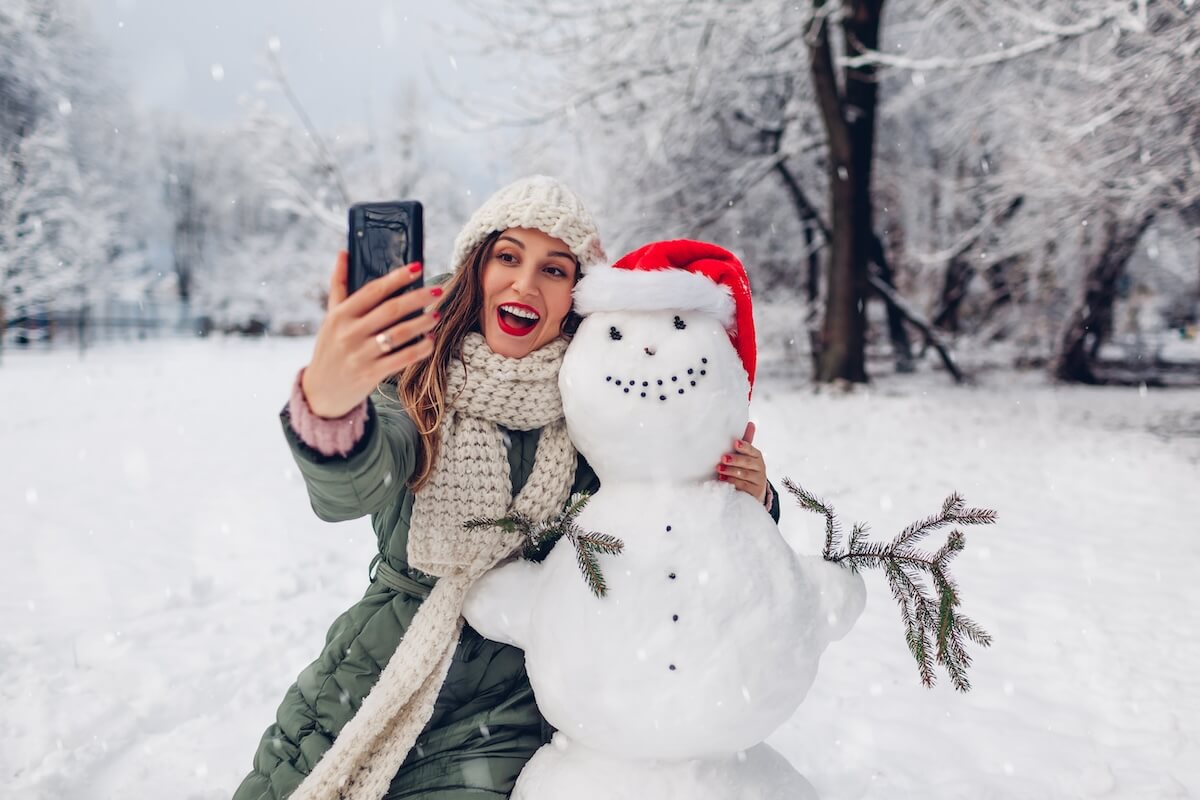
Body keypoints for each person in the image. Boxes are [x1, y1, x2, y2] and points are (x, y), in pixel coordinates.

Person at [232, 176, 781, 800]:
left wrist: (750, 495)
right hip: (368, 675)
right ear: (477, 269)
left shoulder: (599, 417)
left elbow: (665, 525)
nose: (525, 284)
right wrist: (331, 405)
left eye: (553, 268)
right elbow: (353, 487)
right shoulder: (417, 382)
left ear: (576, 296)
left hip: (501, 715)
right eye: (508, 256)